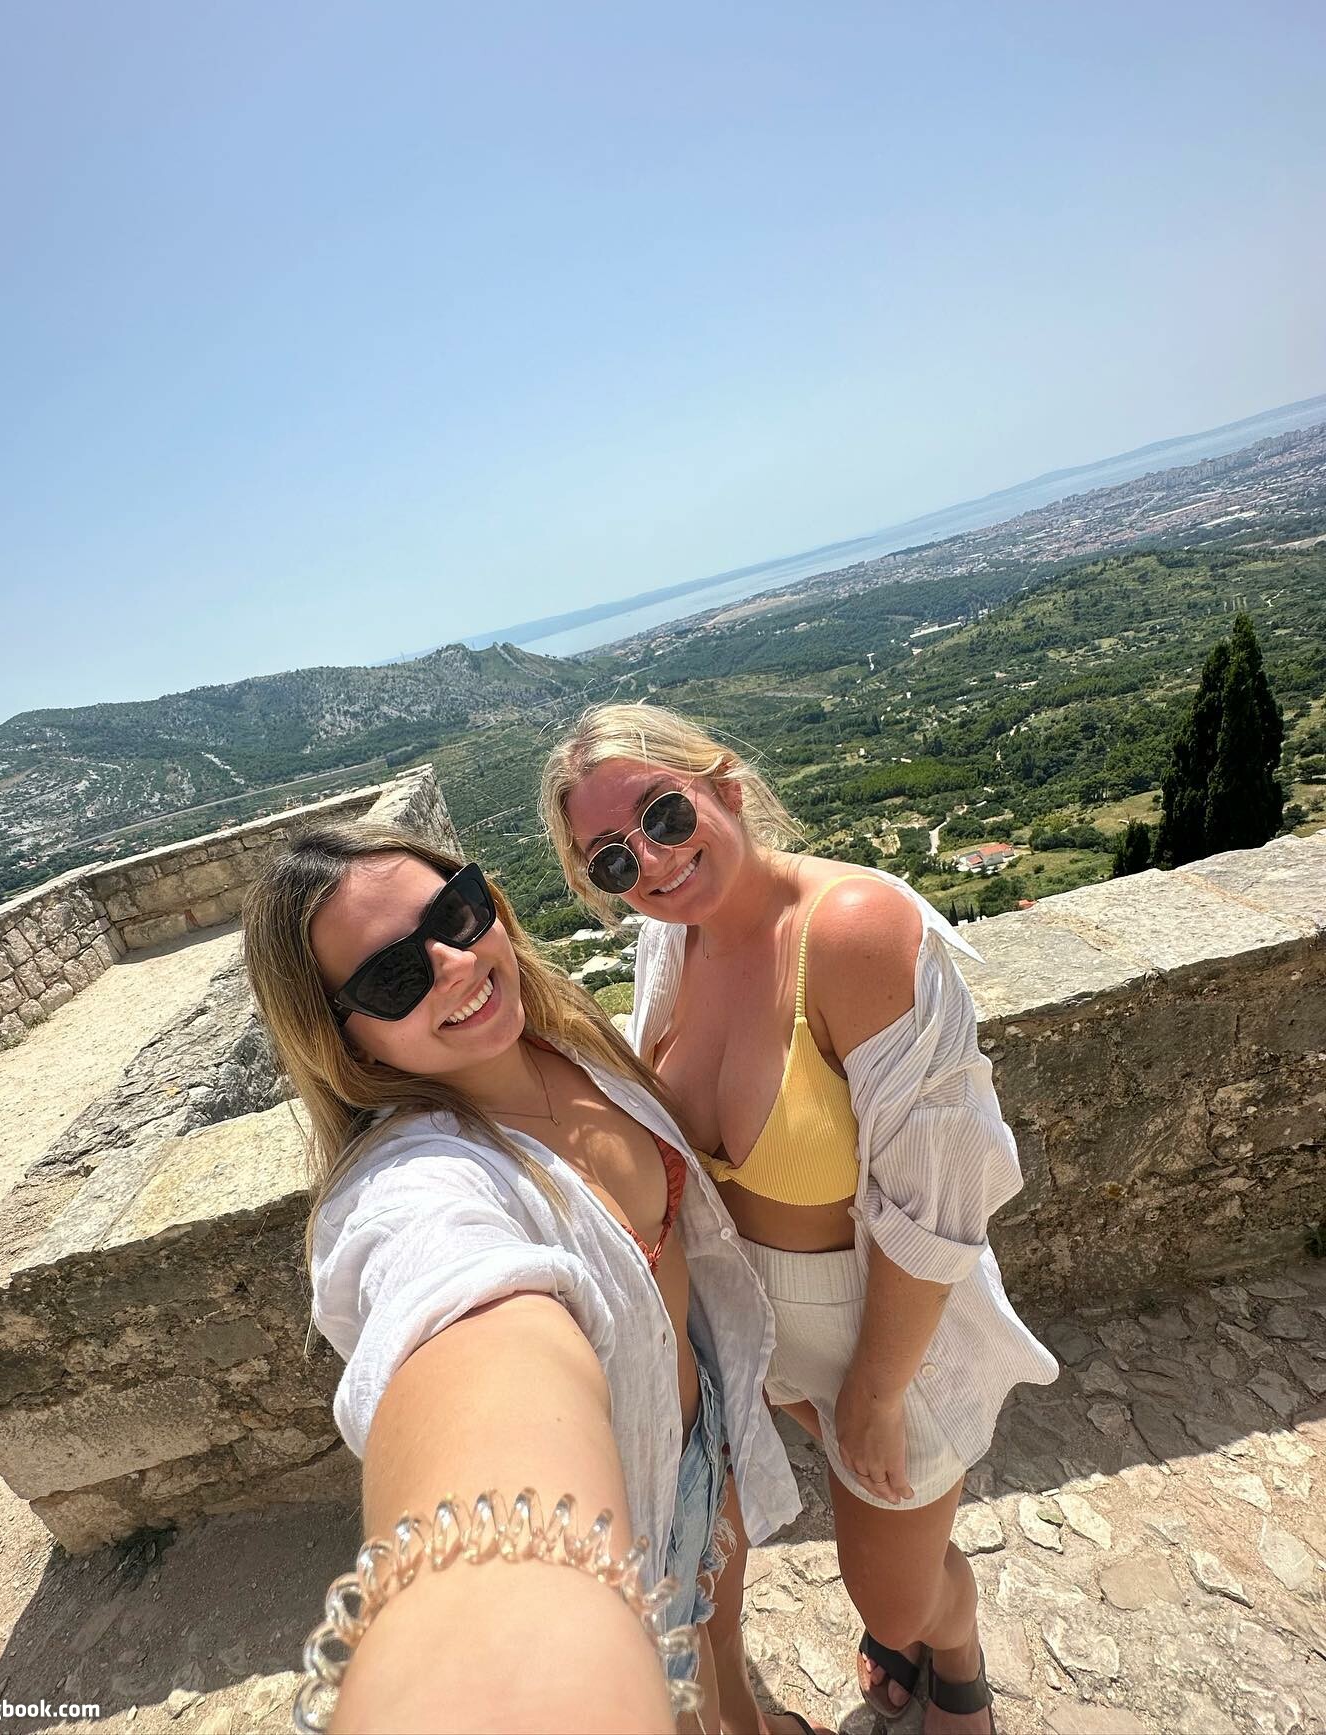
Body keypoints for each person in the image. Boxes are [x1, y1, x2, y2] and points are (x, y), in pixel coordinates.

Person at [541, 704, 1059, 1735]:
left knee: (894, 1598)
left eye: (663, 813)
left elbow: (941, 1196)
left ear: (725, 786)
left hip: (888, 1332)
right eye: (613, 858)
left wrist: (876, 1388)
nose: (651, 859)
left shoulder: (854, 932)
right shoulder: (669, 945)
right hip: (760, 1338)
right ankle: (912, 1620)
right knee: (879, 1559)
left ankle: (951, 1645)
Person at [240, 822, 802, 1734]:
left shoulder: (564, 1032)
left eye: (455, 914)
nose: (454, 963)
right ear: (347, 1042)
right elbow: (460, 1315)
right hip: (626, 1493)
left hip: (701, 1429)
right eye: (393, 978)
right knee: (676, 1680)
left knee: (718, 1617)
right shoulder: (417, 1184)